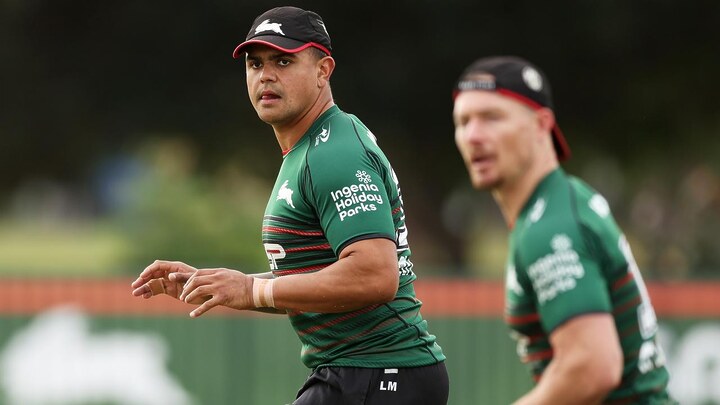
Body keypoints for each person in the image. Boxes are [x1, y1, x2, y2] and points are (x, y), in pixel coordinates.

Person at [131, 6, 448, 405]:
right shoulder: (311, 148)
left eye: (284, 60)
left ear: (323, 70)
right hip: (367, 374)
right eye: (255, 63)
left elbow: (375, 275)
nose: (266, 75)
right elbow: (321, 281)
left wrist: (252, 289)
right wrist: (226, 287)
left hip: (379, 373)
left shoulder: (334, 153)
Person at [451, 55, 676, 404]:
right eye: (463, 121)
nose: (473, 136)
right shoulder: (561, 202)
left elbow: (593, 367)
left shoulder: (550, 226)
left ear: (542, 125)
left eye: (492, 118)